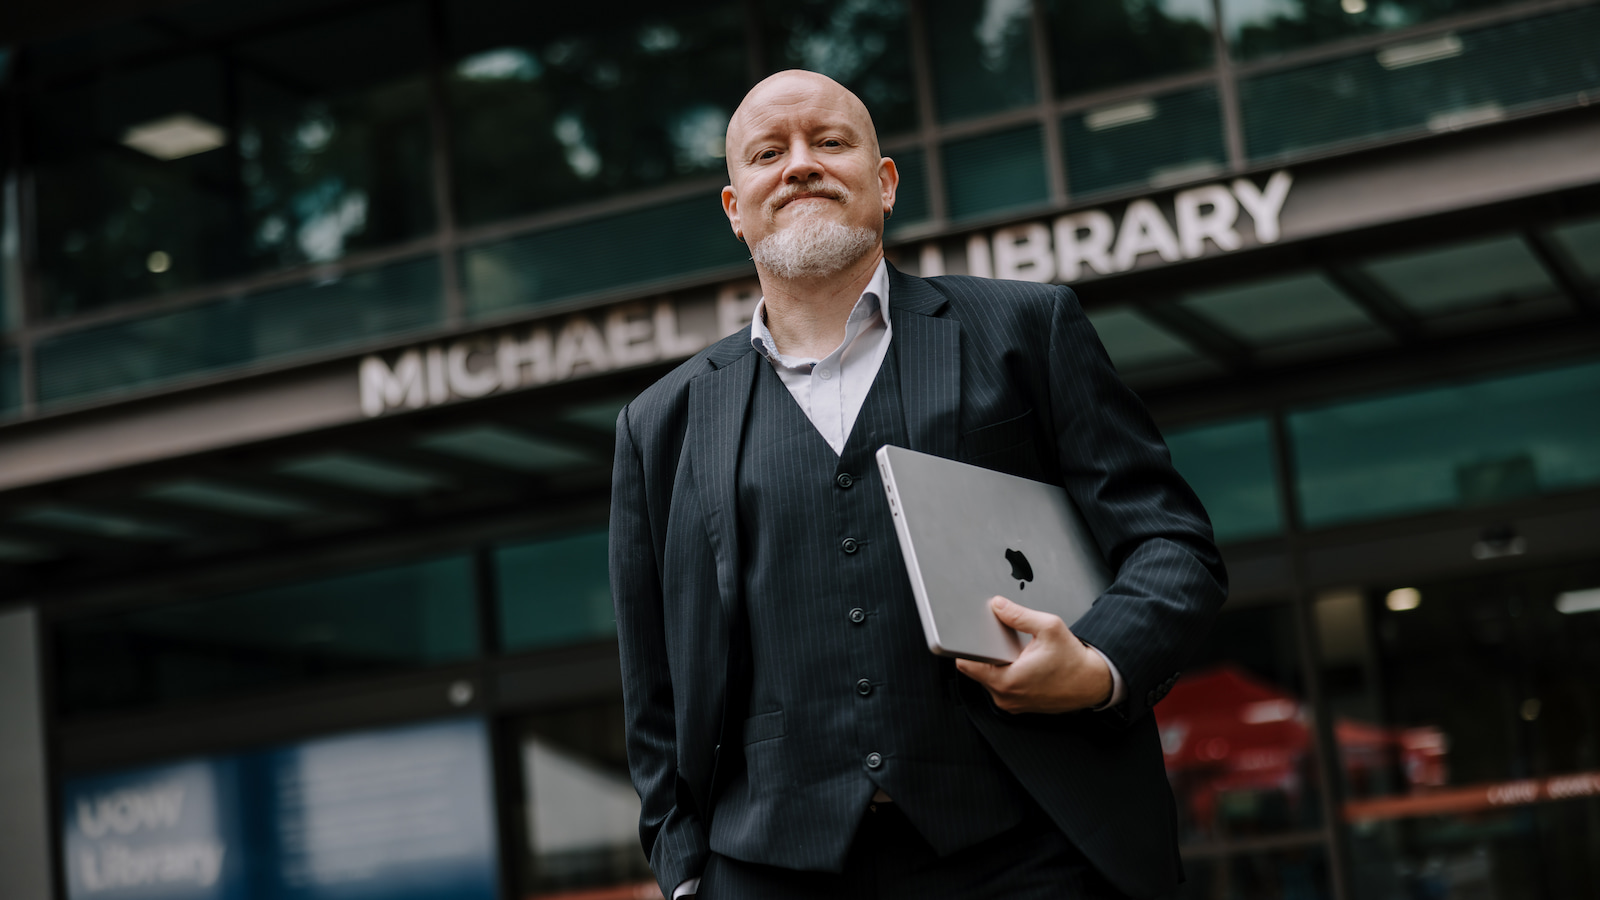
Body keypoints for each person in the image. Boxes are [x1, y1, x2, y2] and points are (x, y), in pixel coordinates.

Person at [609, 70, 1227, 900]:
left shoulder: (1026, 330)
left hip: (1028, 851)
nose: (800, 165)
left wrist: (1095, 662)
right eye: (769, 153)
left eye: (829, 142)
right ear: (734, 207)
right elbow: (652, 687)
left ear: (885, 181)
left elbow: (1170, 543)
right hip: (768, 870)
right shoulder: (660, 424)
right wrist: (684, 872)